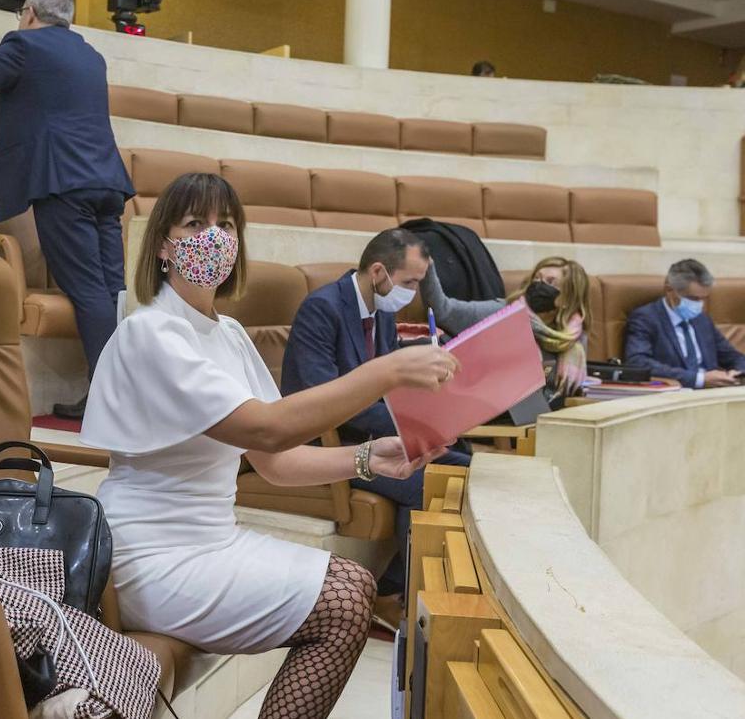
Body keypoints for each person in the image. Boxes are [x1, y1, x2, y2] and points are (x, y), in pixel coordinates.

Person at [81, 173, 459, 718]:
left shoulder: (228, 334)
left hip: (213, 539)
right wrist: (387, 371)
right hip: (151, 553)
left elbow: (274, 463)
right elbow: (265, 429)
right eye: (195, 224)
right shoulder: (152, 332)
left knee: (353, 585)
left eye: (226, 224)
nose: (214, 236)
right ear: (163, 243)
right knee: (346, 601)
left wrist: (367, 459)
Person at [0, 0, 133, 420]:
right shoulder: (91, 56)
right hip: (109, 183)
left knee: (89, 291)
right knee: (114, 291)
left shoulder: (25, 44)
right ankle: (122, 389)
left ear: (32, 13)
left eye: (21, 14)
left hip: (64, 182)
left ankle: (109, 398)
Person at [281, 228, 470, 626]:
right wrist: (411, 423)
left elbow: (391, 388)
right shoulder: (323, 308)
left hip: (374, 436)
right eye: (410, 283)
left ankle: (406, 590)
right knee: (436, 481)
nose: (414, 294)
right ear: (379, 272)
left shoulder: (383, 313)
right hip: (332, 444)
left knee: (464, 461)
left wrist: (433, 411)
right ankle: (390, 594)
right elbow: (324, 400)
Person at [421, 256, 591, 402]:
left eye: (550, 282)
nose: (539, 285)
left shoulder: (573, 337)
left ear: (567, 298)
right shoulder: (502, 312)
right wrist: (428, 266)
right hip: (499, 412)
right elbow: (444, 311)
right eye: (537, 279)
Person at [625, 259, 745, 388]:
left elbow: (733, 356)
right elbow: (639, 363)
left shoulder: (702, 319)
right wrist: (699, 379)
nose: (699, 304)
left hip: (713, 394)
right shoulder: (646, 318)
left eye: (703, 298)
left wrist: (738, 372)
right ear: (669, 289)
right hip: (674, 394)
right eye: (692, 298)